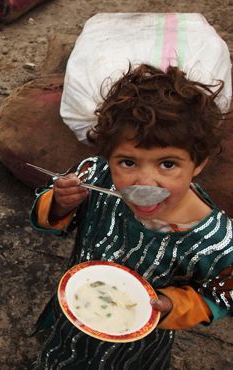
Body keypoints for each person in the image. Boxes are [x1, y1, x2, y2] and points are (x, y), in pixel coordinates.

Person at [29, 64, 233, 369]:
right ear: (108, 156)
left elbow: (221, 295)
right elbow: (47, 217)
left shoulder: (215, 239)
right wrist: (59, 203)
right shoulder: (95, 177)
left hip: (137, 352)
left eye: (167, 164)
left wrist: (171, 306)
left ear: (199, 163)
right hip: (73, 317)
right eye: (127, 162)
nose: (144, 182)